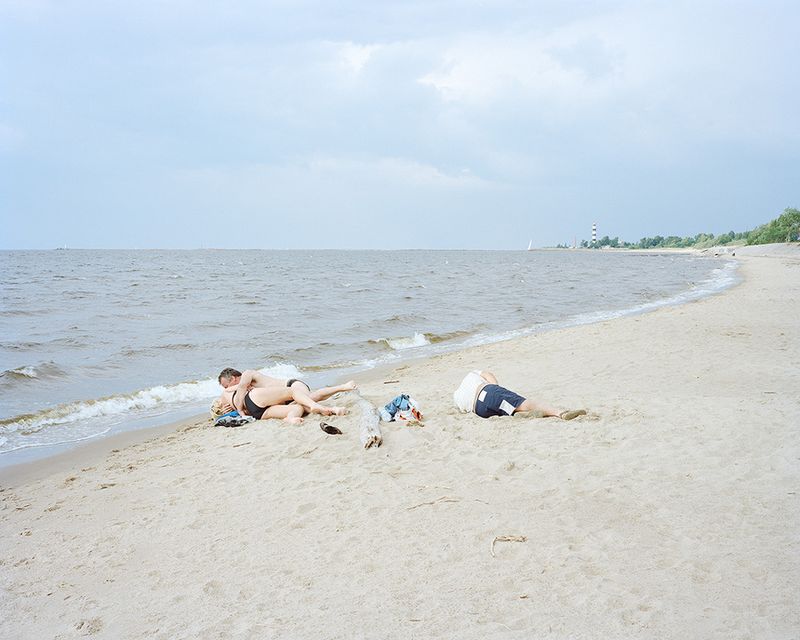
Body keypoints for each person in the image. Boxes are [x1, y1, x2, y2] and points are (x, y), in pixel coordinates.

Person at [214, 368, 355, 425]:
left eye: (226, 385)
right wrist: (237, 411)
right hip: (266, 402)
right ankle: (321, 406)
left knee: (306, 399)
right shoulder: (237, 390)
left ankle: (342, 388)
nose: (226, 389)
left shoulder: (247, 374)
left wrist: (239, 411)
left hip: (292, 385)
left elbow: (241, 390)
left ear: (233, 378)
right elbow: (237, 397)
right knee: (306, 402)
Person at [453, 370, 586, 420]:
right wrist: (496, 387)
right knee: (523, 402)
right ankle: (560, 413)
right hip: (488, 393)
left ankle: (518, 413)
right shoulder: (472, 374)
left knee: (506, 408)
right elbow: (488, 374)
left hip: (480, 410)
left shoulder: (457, 397)